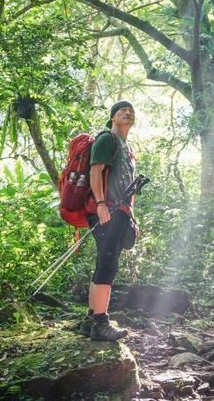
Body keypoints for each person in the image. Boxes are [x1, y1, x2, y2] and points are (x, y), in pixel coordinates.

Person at [79, 100, 137, 341]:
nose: (127, 113)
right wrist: (101, 204)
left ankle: (91, 319)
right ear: (113, 117)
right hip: (106, 210)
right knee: (108, 264)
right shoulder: (107, 139)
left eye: (131, 111)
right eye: (122, 110)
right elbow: (95, 171)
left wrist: (131, 217)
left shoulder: (126, 148)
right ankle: (101, 323)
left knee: (104, 261)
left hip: (119, 211)